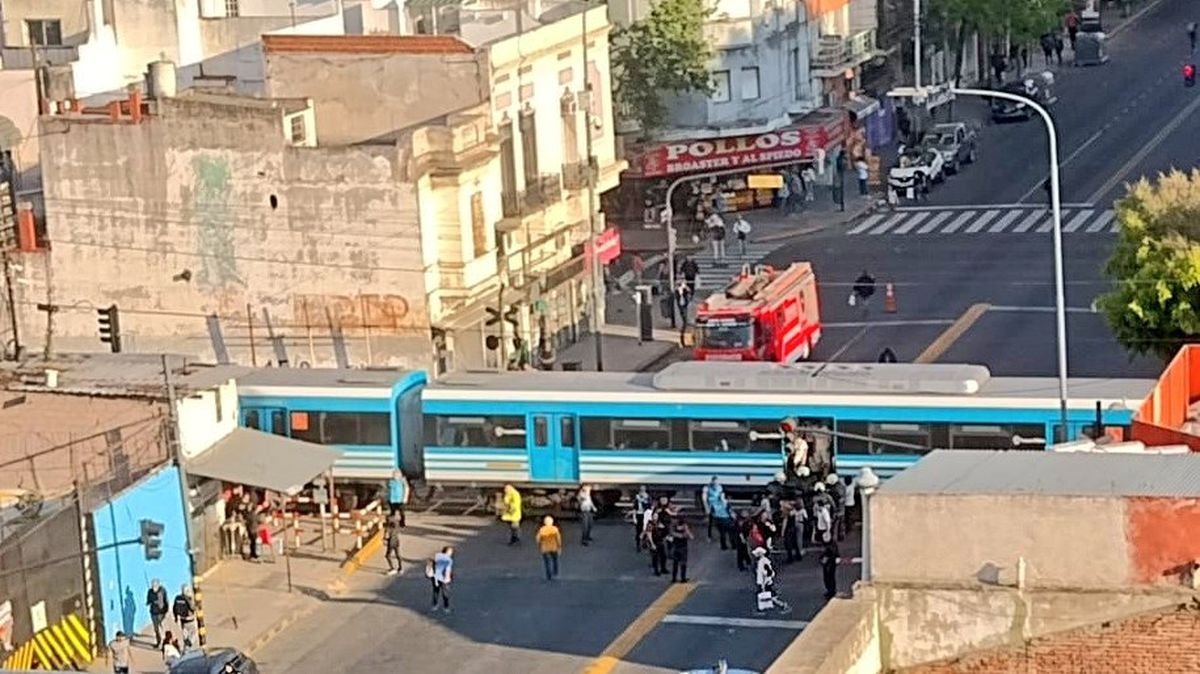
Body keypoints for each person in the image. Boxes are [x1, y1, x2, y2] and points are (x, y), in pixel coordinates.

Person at [536, 515, 562, 581]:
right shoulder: (555, 529)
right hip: (554, 547)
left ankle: (548, 575)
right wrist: (559, 546)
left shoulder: (542, 529)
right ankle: (555, 572)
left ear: (545, 522)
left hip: (545, 548)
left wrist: (539, 545)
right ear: (552, 522)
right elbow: (558, 538)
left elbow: (538, 539)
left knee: (547, 562)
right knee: (555, 560)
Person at [668, 516, 693, 583]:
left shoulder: (677, 527)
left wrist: (685, 532)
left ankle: (675, 578)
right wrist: (683, 535)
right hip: (681, 547)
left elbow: (690, 536)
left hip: (678, 546)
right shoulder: (678, 527)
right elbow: (690, 536)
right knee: (681, 563)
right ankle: (682, 578)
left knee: (677, 563)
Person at [172, 585, 198, 649]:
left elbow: (174, 608)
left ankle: (185, 646)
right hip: (190, 618)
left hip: (182, 618)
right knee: (194, 632)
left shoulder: (177, 598)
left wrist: (175, 617)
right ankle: (189, 643)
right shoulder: (188, 598)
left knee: (185, 633)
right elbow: (192, 608)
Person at [648, 508, 671, 576]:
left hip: (660, 541)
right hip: (654, 541)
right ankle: (656, 570)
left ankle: (663, 568)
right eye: (654, 516)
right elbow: (649, 534)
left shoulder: (660, 523)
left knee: (663, 556)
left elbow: (664, 532)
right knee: (655, 557)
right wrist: (652, 544)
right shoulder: (650, 524)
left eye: (657, 516)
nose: (656, 517)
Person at [430, 546, 454, 611]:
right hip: (442, 579)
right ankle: (443, 606)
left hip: (441, 578)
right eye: (449, 552)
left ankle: (440, 605)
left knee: (441, 593)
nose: (450, 553)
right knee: (440, 593)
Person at [146, 578, 169, 647]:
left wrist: (166, 611)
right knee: (156, 629)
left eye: (155, 586)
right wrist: (149, 602)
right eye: (153, 586)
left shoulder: (163, 590)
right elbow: (148, 600)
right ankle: (159, 642)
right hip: (153, 612)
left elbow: (166, 600)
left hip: (161, 612)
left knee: (162, 627)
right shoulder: (150, 591)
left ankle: (166, 641)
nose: (154, 588)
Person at [827, 474, 848, 541]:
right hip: (842, 509)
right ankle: (841, 536)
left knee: (835, 524)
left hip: (837, 509)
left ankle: (834, 537)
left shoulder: (834, 490)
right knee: (841, 523)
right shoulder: (842, 487)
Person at [702, 477, 724, 541]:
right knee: (710, 522)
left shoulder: (719, 487)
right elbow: (704, 498)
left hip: (717, 506)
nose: (716, 483)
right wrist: (706, 507)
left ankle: (720, 535)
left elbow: (721, 497)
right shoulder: (707, 488)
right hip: (711, 506)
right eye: (715, 481)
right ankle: (709, 536)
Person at [384, 509, 404, 575]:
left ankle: (392, 568)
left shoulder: (388, 527)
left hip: (391, 541)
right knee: (398, 554)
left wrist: (385, 539)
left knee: (388, 555)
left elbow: (387, 535)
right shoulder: (397, 524)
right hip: (396, 540)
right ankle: (400, 568)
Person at [632, 486, 651, 551]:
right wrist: (634, 517)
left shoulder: (647, 497)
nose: (642, 491)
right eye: (641, 489)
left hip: (645, 515)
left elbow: (649, 507)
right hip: (639, 515)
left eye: (643, 489)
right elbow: (634, 508)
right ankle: (638, 544)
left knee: (645, 529)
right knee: (638, 530)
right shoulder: (637, 498)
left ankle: (644, 542)